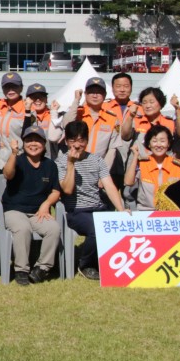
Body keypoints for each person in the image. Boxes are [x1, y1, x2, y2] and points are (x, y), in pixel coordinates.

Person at [57, 120, 130, 281]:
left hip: (98, 207)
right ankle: (85, 265)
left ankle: (115, 262)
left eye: (81, 140)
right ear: (66, 141)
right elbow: (67, 190)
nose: (77, 145)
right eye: (73, 140)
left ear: (87, 140)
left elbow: (109, 185)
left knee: (120, 223)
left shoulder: (97, 160)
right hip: (76, 211)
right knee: (97, 229)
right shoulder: (61, 162)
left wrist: (121, 209)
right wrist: (71, 164)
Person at [1, 126, 62, 285]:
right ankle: (21, 269)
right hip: (14, 210)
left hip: (37, 212)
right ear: (23, 143)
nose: (33, 144)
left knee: (53, 228)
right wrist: (13, 154)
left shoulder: (50, 165)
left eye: (37, 140)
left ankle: (42, 268)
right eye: (29, 140)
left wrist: (46, 204)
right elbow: (7, 174)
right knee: (22, 228)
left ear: (44, 143)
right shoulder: (18, 160)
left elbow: (56, 191)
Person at [123, 124, 180, 211]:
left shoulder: (177, 166)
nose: (158, 145)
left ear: (168, 144)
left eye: (162, 141)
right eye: (154, 141)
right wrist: (135, 156)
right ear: (149, 144)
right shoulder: (142, 163)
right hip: (145, 211)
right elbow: (128, 182)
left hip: (171, 212)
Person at [62, 77, 120, 169]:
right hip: (75, 163)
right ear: (85, 94)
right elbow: (66, 124)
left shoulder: (112, 118)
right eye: (91, 92)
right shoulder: (77, 113)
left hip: (97, 167)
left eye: (99, 92)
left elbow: (112, 149)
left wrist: (104, 172)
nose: (95, 95)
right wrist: (76, 100)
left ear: (105, 95)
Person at [120, 87, 174, 157]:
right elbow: (125, 136)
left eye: (151, 102)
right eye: (144, 102)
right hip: (137, 165)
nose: (148, 106)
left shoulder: (169, 123)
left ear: (161, 103)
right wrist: (130, 116)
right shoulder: (136, 121)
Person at [21, 83, 64, 158]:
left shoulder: (55, 115)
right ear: (27, 100)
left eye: (41, 96)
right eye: (34, 97)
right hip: (31, 160)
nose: (38, 100)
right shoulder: (23, 116)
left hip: (52, 159)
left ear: (46, 99)